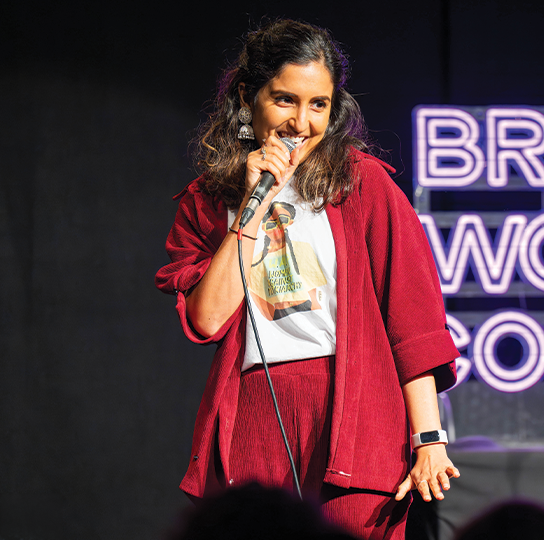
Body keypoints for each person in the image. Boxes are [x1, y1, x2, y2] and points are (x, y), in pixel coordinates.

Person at [155, 19, 460, 540]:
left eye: (318, 104)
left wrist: (428, 437)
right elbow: (207, 319)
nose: (301, 121)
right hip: (258, 407)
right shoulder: (208, 201)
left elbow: (413, 322)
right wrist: (254, 205)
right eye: (285, 100)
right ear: (248, 97)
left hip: (356, 408)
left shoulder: (364, 185)